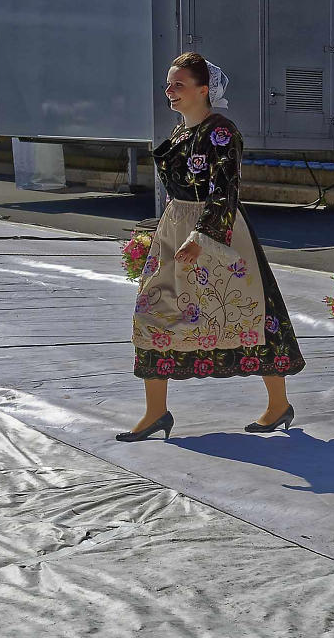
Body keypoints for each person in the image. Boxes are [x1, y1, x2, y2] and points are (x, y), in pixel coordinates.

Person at [122, 53, 304, 441]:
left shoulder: (221, 131)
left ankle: (278, 404)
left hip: (217, 233)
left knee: (249, 313)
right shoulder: (181, 132)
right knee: (153, 311)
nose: (170, 91)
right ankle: (156, 411)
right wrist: (159, 234)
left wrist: (202, 235)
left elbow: (226, 189)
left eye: (179, 85)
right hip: (177, 228)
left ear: (204, 90)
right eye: (169, 84)